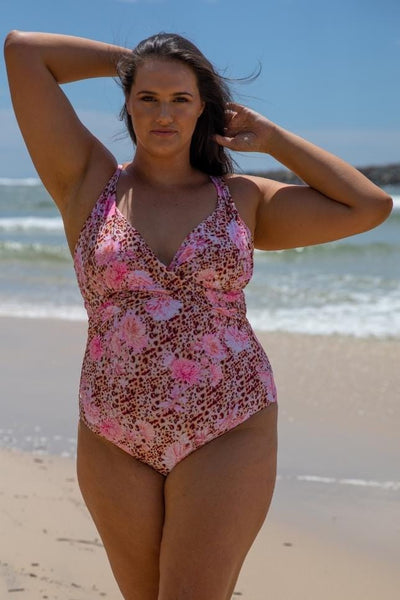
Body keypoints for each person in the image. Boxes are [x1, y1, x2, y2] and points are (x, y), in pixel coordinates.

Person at [4, 29, 392, 600]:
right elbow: (23, 52)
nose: (164, 113)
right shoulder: (87, 183)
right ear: (128, 104)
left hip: (229, 422)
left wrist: (273, 138)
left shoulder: (244, 199)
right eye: (148, 98)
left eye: (181, 98)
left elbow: (369, 206)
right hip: (113, 430)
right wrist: (141, 63)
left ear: (205, 107)